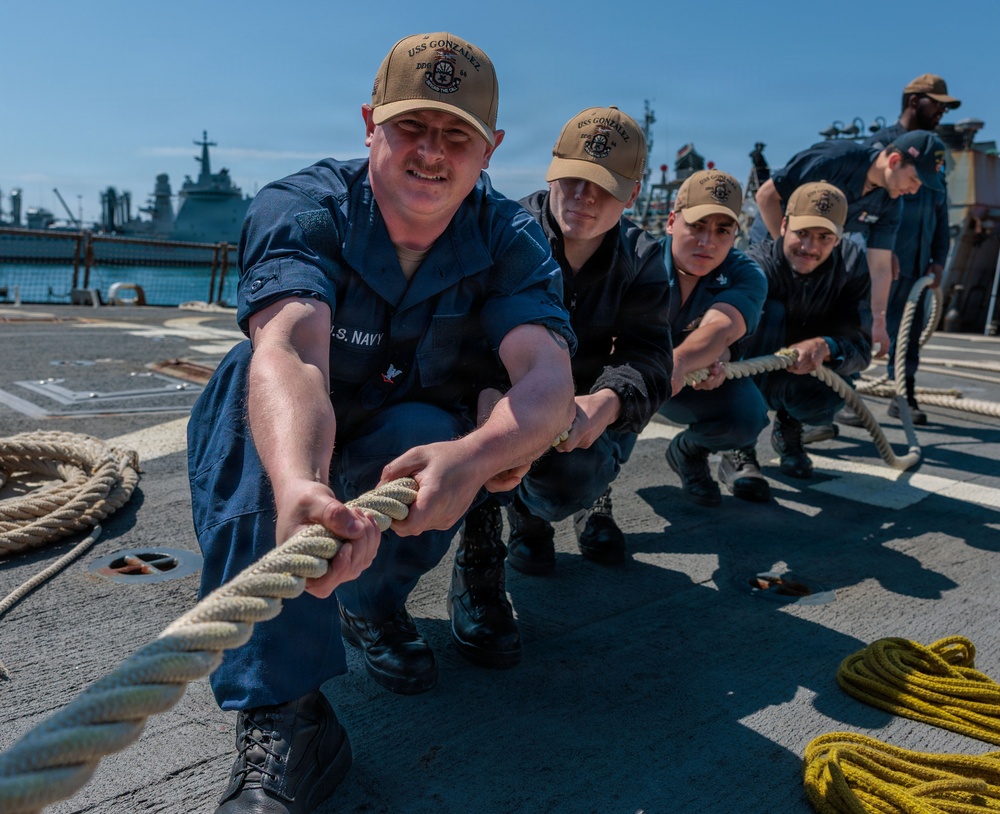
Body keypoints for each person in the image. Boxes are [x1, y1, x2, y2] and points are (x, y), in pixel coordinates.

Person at [186, 32, 577, 814]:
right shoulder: (303, 207)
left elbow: (547, 379)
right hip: (307, 439)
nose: (433, 152)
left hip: (398, 454)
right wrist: (299, 483)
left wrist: (473, 457)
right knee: (245, 390)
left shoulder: (512, 237)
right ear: (370, 123)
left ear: (490, 148)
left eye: (457, 134)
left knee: (438, 431)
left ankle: (369, 605)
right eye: (412, 126)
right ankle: (289, 717)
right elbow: (292, 350)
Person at [447, 105, 673, 669]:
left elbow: (651, 356)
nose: (583, 196)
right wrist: (487, 399)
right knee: (468, 435)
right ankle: (478, 558)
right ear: (550, 171)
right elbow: (459, 334)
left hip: (579, 417)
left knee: (572, 477)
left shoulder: (643, 259)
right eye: (572, 176)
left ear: (633, 192)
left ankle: (538, 509)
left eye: (603, 185)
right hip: (495, 397)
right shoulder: (503, 231)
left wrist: (604, 402)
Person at [752, 130, 946, 362]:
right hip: (775, 242)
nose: (915, 190)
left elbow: (881, 265)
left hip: (815, 257)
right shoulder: (833, 159)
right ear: (894, 161)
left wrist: (879, 322)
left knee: (825, 326)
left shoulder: (890, 202)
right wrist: (785, 250)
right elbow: (766, 196)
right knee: (770, 317)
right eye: (915, 179)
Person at [744, 182, 873, 479]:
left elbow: (861, 347)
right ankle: (740, 447)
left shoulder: (851, 268)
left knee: (834, 392)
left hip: (806, 372)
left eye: (824, 237)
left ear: (839, 239)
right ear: (784, 225)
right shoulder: (756, 267)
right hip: (751, 373)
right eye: (802, 233)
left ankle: (790, 426)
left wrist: (826, 346)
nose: (810, 247)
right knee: (770, 312)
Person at [657, 170, 770, 505]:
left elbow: (719, 328)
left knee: (746, 415)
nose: (708, 241)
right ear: (672, 221)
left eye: (723, 230)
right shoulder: (635, 258)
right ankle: (594, 499)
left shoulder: (746, 275)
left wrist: (707, 355)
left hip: (687, 379)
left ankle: (689, 451)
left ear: (735, 234)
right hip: (628, 370)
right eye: (697, 226)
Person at [863, 74, 959, 425]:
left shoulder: (933, 156)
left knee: (910, 331)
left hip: (917, 264)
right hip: (879, 262)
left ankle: (904, 390)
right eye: (938, 104)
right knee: (862, 323)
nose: (942, 112)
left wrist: (937, 261)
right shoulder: (883, 147)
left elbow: (940, 211)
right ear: (915, 100)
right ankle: (843, 390)